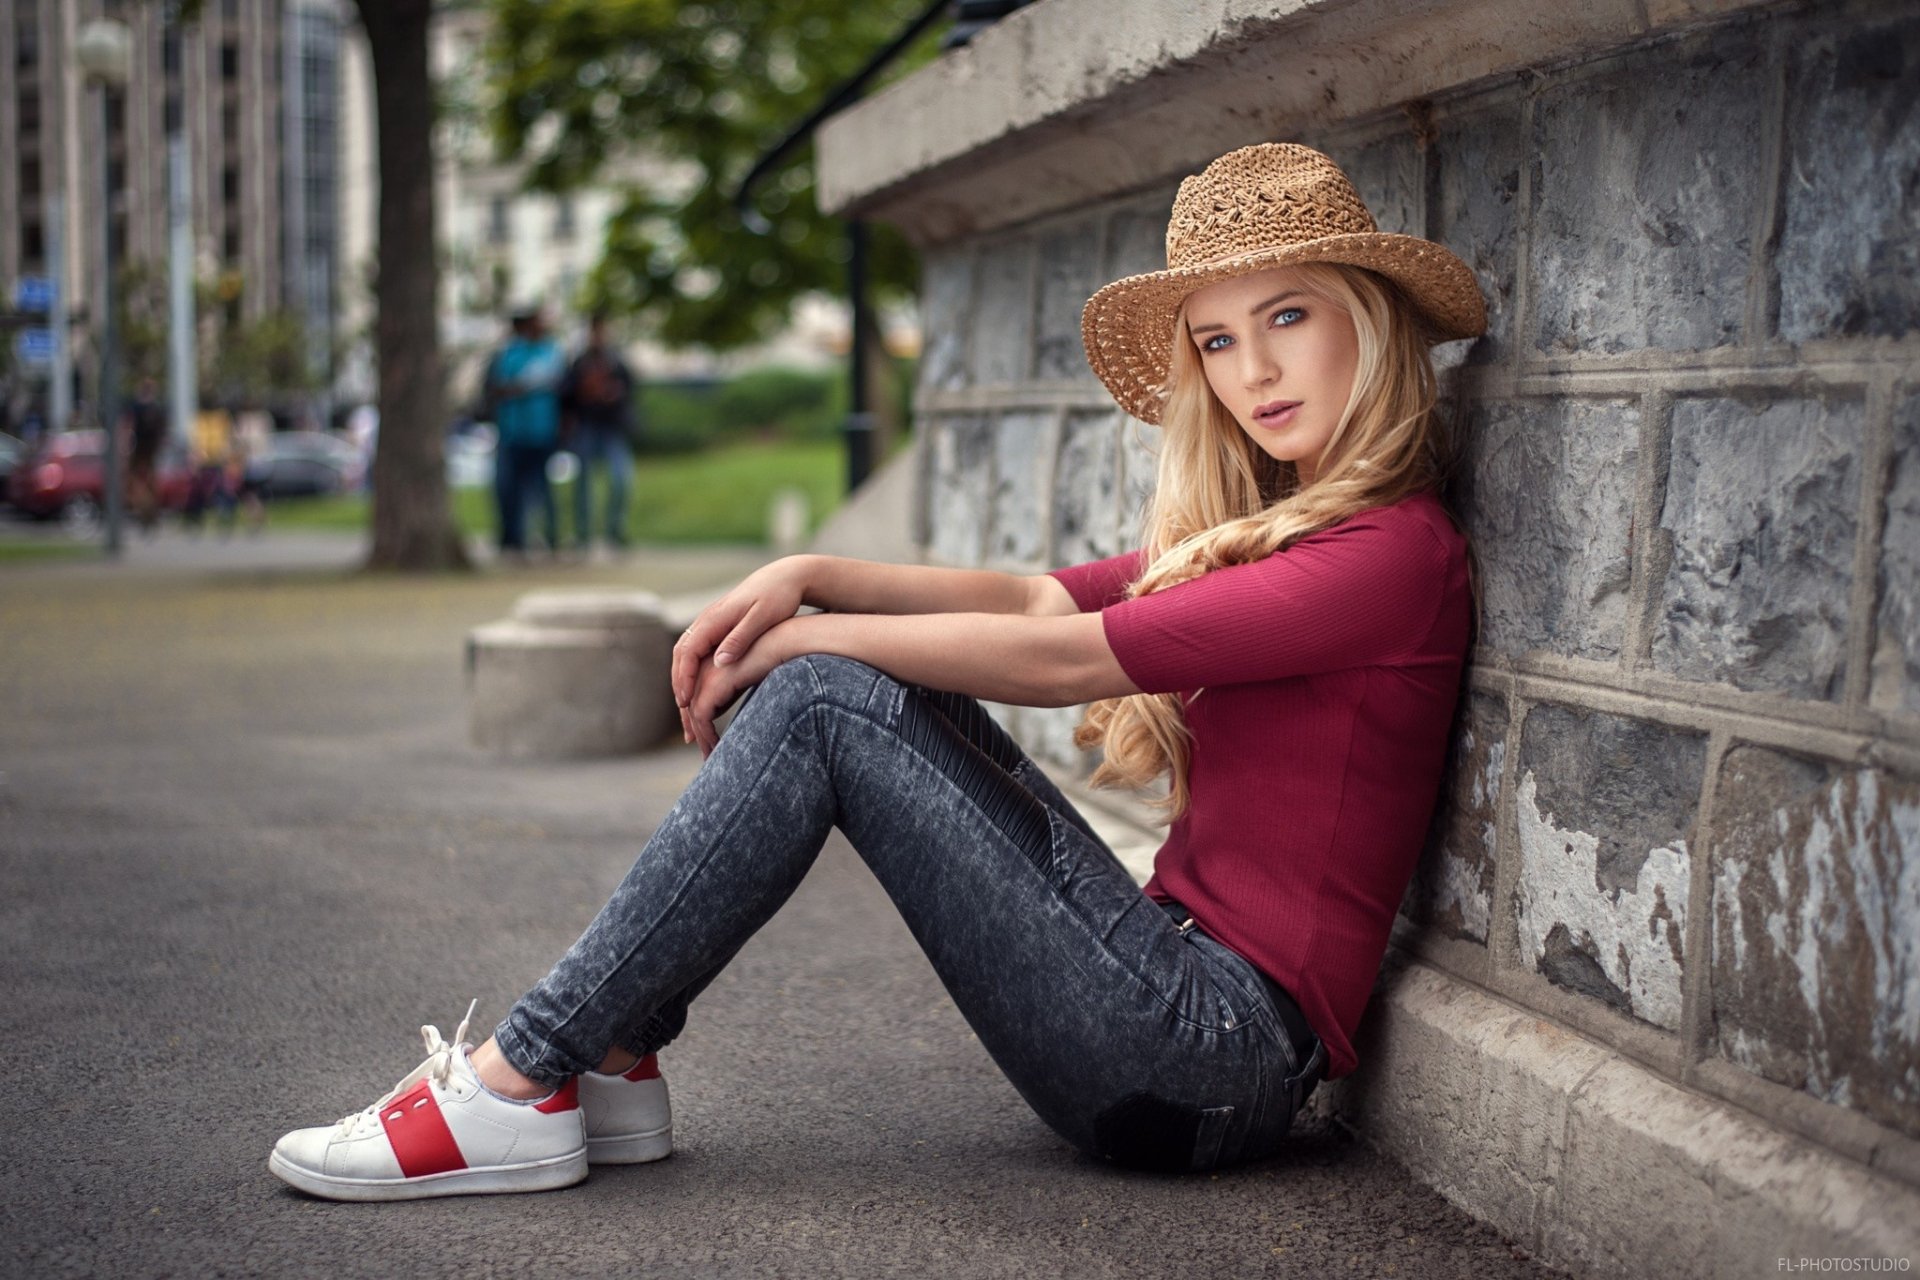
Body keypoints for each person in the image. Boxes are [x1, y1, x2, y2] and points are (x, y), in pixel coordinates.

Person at [268, 142, 1487, 1200]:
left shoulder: (1390, 556)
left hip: (1208, 1055)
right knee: (856, 685)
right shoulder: (1286, 531)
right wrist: (814, 575)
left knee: (828, 694)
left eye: (1288, 317)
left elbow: (1063, 656)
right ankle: (610, 1056)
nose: (1251, 370)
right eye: (1217, 339)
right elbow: (1029, 595)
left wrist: (811, 642)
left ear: (1364, 320)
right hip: (1167, 984)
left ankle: (521, 1075)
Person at [485, 307, 565, 561]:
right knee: (508, 488)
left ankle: (552, 538)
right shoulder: (508, 354)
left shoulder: (552, 352)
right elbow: (495, 387)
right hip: (513, 431)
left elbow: (562, 387)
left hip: (543, 431)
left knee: (543, 488)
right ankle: (513, 539)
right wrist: (519, 388)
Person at [559, 311, 639, 558]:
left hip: (611, 427)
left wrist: (614, 394)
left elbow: (631, 388)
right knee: (582, 484)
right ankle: (583, 535)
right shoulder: (580, 362)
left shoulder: (616, 361)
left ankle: (614, 531)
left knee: (620, 479)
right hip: (586, 425)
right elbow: (567, 394)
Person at [123, 378, 167, 534]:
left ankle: (145, 514)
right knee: (149, 484)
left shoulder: (136, 407)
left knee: (135, 483)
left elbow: (129, 428)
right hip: (150, 451)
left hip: (140, 451)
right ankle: (149, 515)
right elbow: (162, 432)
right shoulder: (157, 408)